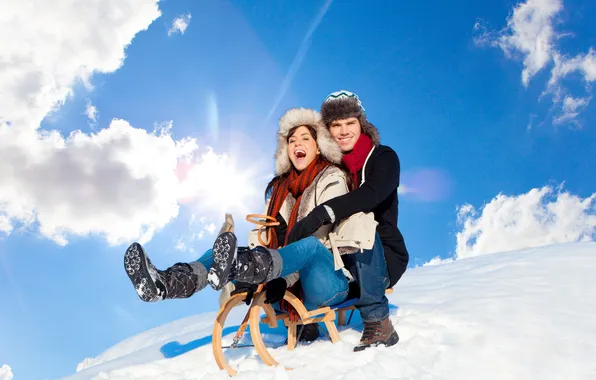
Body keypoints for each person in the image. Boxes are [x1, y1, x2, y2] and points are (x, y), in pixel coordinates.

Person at [123, 107, 376, 342]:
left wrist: (282, 279)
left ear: (319, 147)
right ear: (286, 150)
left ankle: (246, 267)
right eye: (291, 140)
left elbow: (320, 238)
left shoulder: (332, 178)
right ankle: (166, 284)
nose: (297, 143)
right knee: (219, 255)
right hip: (281, 290)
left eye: (305, 138)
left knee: (307, 245)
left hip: (326, 283)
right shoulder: (279, 191)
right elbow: (267, 240)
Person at [285, 90, 409, 352]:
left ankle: (378, 321)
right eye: (335, 125)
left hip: (381, 256)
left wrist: (324, 211)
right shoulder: (331, 171)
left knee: (357, 218)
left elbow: (371, 195)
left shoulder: (383, 158)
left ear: (361, 124)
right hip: (341, 261)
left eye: (349, 123)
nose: (343, 131)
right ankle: (308, 311)